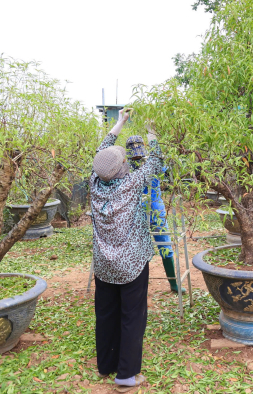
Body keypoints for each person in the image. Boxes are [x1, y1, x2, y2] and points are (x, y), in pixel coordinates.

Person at [90, 109, 162, 391]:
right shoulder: (131, 184)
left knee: (106, 313)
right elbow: (154, 161)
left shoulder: (95, 183)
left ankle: (107, 365)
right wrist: (152, 131)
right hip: (131, 264)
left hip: (103, 264)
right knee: (133, 315)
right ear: (123, 167)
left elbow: (102, 152)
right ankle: (126, 375)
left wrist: (119, 122)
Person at [126, 135, 181, 293]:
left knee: (141, 247)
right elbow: (160, 158)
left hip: (138, 211)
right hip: (152, 209)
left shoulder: (126, 167)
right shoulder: (152, 162)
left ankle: (169, 284)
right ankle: (173, 284)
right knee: (162, 244)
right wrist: (153, 136)